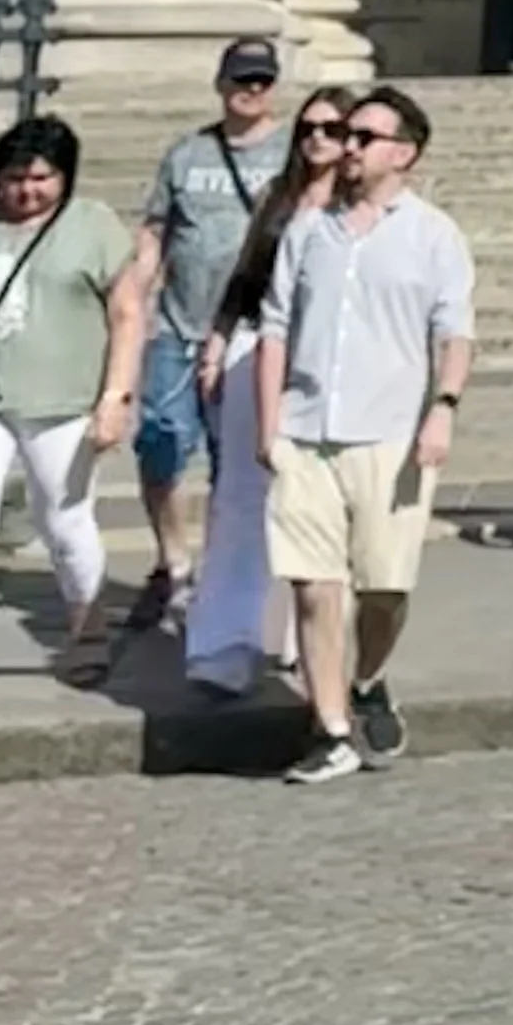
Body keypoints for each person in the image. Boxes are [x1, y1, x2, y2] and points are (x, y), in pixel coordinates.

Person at [256, 88, 474, 785]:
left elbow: (454, 331)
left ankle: (369, 677)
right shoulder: (307, 230)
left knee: (384, 586)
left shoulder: (435, 235)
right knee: (315, 587)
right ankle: (331, 729)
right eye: (346, 135)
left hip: (391, 433)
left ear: (403, 153)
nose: (348, 147)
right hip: (308, 429)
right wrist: (271, 426)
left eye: (365, 137)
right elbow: (275, 328)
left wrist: (443, 407)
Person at [0, 113, 149, 698]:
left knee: (63, 519)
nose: (27, 190)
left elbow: (127, 314)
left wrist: (115, 397)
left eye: (41, 177)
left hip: (65, 400)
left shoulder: (91, 225)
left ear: (64, 177)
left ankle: (88, 627)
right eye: (15, 178)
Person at [182, 89, 355, 699]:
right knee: (241, 497)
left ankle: (302, 637)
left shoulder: (359, 208)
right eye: (309, 127)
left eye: (333, 129)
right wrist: (217, 340)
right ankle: (224, 640)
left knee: (319, 503)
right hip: (256, 350)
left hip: (328, 363)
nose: (318, 139)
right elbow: (246, 276)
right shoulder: (278, 199)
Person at [119, 40, 287, 640]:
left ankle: (220, 578)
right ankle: (173, 559)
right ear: (221, 84)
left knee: (233, 465)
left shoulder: (290, 152)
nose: (252, 90)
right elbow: (155, 231)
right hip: (178, 328)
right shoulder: (187, 154)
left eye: (262, 80)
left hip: (247, 336)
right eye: (242, 79)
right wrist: (132, 303)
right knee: (160, 444)